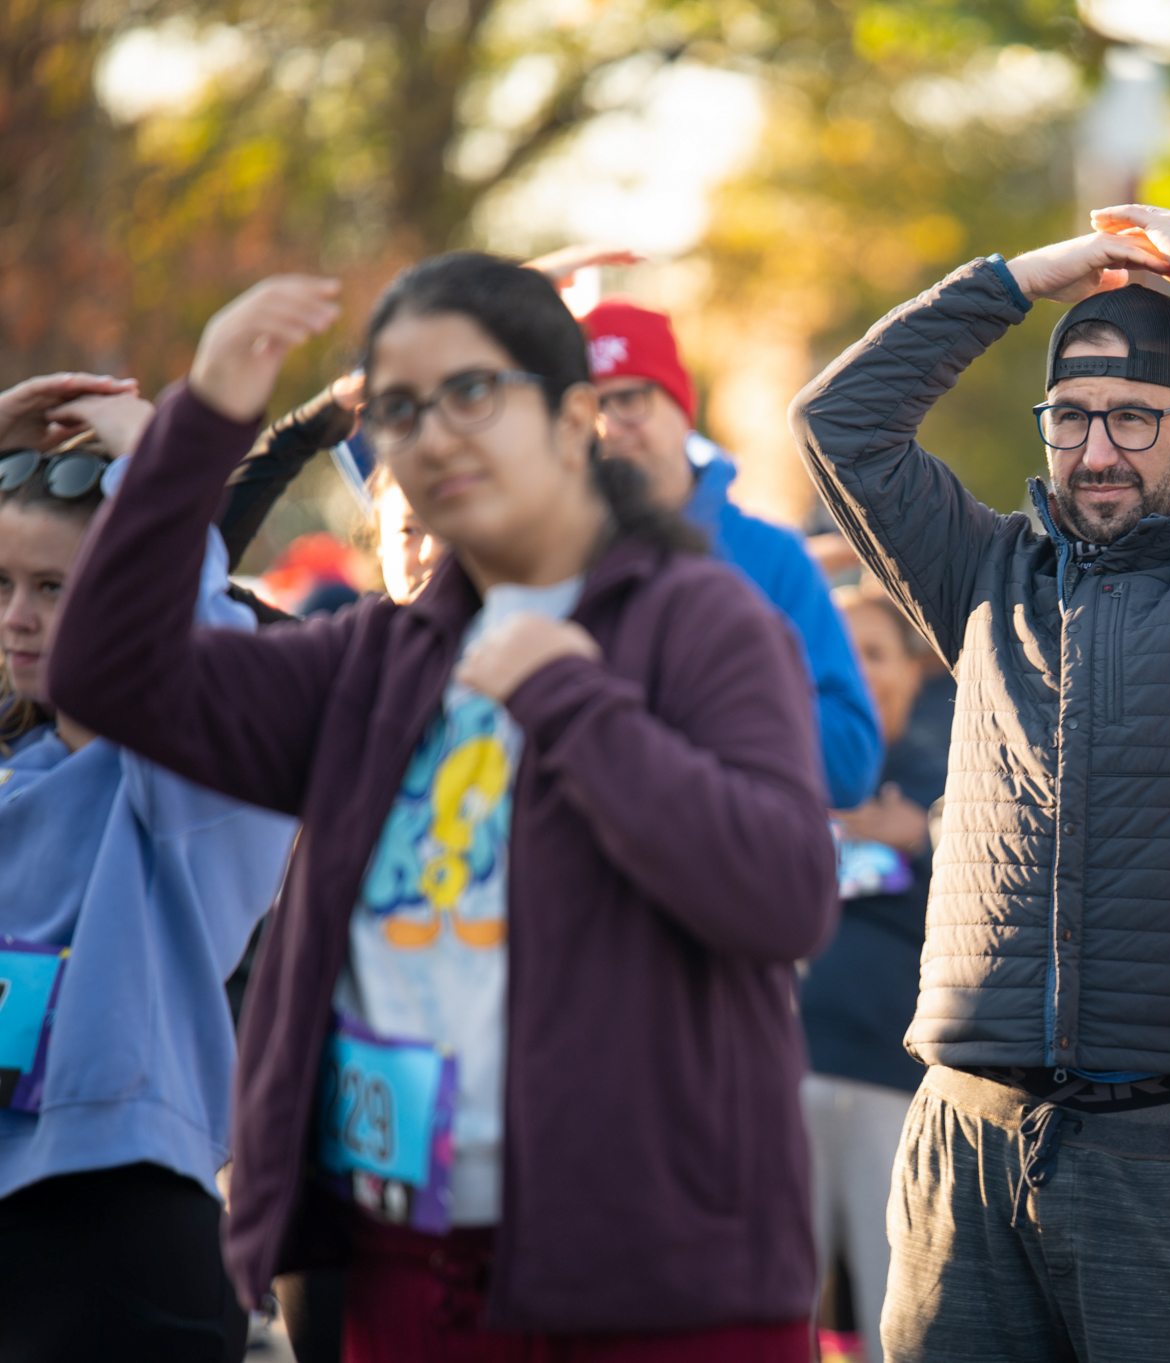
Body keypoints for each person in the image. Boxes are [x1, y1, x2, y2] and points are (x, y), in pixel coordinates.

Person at [47, 256, 839, 1359]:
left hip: (655, 1276)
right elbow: (108, 673)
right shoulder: (375, 657)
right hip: (405, 1265)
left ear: (573, 419)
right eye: (402, 408)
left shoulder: (699, 620)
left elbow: (782, 894)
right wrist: (210, 412)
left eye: (471, 391)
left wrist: (572, 701)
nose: (432, 435)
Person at [791, 203, 1170, 1362]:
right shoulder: (979, 572)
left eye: (1132, 418)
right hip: (962, 1141)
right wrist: (1019, 281)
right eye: (1070, 417)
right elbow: (840, 420)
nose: (1095, 450)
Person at [0, 377, 298, 1360]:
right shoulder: (16, 772)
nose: (19, 619)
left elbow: (200, 662)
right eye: (3, 585)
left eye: (55, 588)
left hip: (117, 1235)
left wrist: (157, 483)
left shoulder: (179, 791)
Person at [578, 296, 882, 809]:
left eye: (630, 398)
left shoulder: (773, 556)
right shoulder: (555, 559)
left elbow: (850, 763)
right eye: (590, 408)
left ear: (681, 409)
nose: (609, 427)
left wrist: (710, 689)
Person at [802, 588, 954, 1363]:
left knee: (897, 1323)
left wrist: (926, 835)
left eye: (875, 652)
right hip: (784, 1077)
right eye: (839, 650)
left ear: (911, 669)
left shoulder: (952, 776)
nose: (856, 669)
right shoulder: (788, 770)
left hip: (894, 1090)